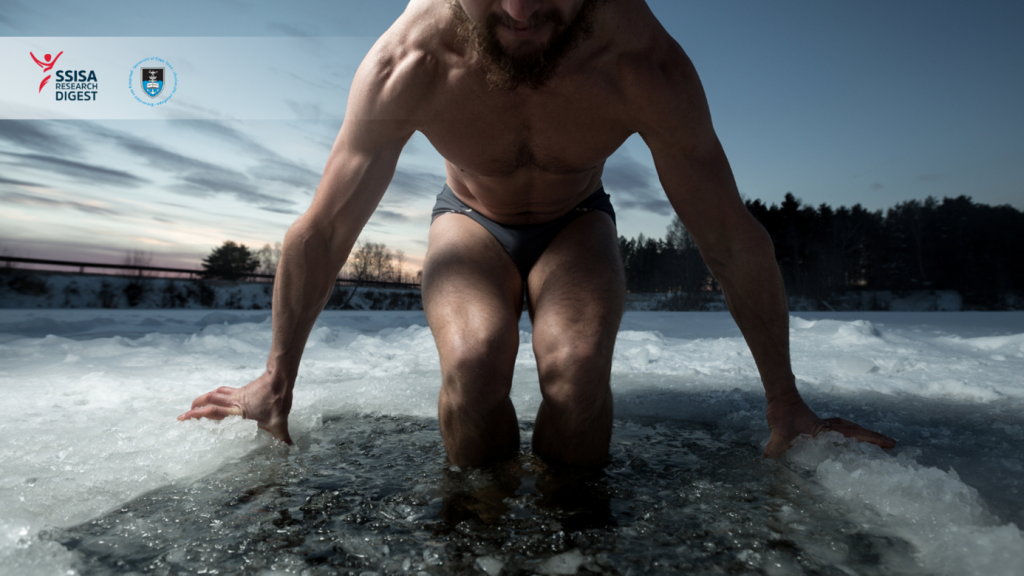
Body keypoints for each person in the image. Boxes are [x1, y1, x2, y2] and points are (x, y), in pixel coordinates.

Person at [178, 0, 895, 467]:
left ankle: (573, 522)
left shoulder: (642, 63)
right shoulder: (410, 61)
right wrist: (277, 377)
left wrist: (785, 403)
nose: (521, 11)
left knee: (578, 369)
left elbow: (731, 238)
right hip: (469, 223)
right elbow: (325, 228)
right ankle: (477, 519)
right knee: (474, 364)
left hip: (577, 223)